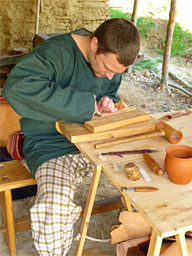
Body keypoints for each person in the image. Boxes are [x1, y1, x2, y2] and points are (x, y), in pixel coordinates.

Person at [3, 18, 140, 256]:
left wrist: (107, 103)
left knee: (152, 173)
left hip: (95, 143)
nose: (109, 77)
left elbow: (109, 92)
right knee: (52, 211)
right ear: (95, 44)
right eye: (107, 68)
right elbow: (16, 88)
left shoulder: (110, 66)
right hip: (53, 147)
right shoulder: (56, 53)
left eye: (116, 73)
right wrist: (86, 105)